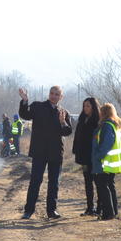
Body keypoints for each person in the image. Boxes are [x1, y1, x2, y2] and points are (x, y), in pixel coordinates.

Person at [17, 86, 73, 219]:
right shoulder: (38, 106)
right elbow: (24, 115)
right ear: (49, 94)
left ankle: (51, 211)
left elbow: (68, 131)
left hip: (55, 152)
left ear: (61, 97)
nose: (53, 96)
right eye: (52, 93)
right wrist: (25, 100)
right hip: (39, 151)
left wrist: (63, 122)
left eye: (57, 94)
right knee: (35, 181)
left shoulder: (64, 112)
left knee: (54, 183)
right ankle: (28, 210)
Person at [91, 103, 121, 220]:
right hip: (110, 163)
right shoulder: (115, 125)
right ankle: (113, 211)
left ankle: (108, 213)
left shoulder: (107, 126)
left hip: (104, 162)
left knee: (103, 187)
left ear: (104, 113)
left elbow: (106, 144)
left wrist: (98, 156)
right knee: (110, 186)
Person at [71, 97, 101, 216]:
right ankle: (90, 208)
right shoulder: (82, 119)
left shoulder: (98, 121)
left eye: (88, 106)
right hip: (83, 156)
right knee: (87, 182)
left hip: (94, 157)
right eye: (84, 106)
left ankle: (100, 208)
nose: (85, 108)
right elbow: (77, 136)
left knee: (98, 183)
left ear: (93, 107)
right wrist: (75, 150)